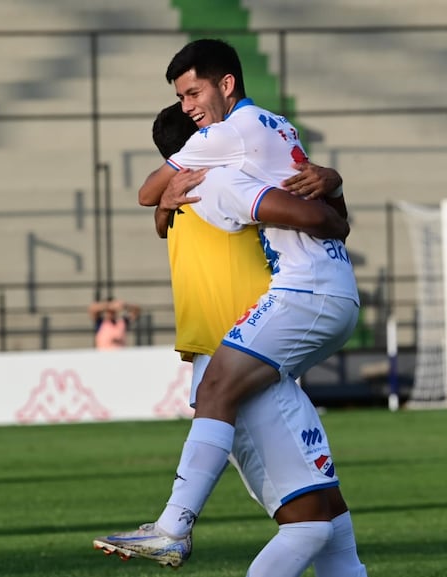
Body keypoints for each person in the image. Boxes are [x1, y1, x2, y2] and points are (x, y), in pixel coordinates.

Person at [93, 44, 366, 575]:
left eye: (195, 93)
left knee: (315, 519)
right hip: (252, 352)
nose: (194, 107)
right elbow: (319, 216)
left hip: (243, 352)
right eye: (187, 101)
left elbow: (153, 201)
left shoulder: (186, 203)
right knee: (319, 519)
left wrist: (325, 191)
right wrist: (331, 192)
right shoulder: (227, 179)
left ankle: (174, 526)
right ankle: (173, 525)